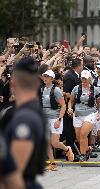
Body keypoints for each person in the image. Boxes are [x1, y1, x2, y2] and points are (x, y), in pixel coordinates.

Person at [4, 56, 47, 189]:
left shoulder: (25, 118)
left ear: (13, 84)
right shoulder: (30, 112)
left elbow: (15, 173)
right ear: (38, 83)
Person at [41, 70, 74, 171]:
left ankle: (67, 149)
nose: (45, 78)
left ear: (52, 78)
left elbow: (63, 106)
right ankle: (53, 163)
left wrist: (59, 120)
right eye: (44, 76)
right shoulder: (42, 89)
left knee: (54, 143)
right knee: (46, 141)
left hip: (55, 118)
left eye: (47, 76)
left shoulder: (56, 90)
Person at [68, 70, 100, 162]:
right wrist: (69, 108)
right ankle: (87, 150)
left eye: (86, 78)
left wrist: (99, 112)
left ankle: (82, 155)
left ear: (89, 79)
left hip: (90, 114)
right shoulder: (76, 88)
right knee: (80, 138)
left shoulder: (95, 89)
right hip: (78, 114)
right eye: (82, 78)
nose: (84, 80)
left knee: (83, 134)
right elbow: (71, 101)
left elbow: (98, 102)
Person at [62, 58, 82, 160]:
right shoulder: (69, 76)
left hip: (76, 106)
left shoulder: (75, 75)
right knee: (70, 132)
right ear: (78, 65)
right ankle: (71, 154)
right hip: (70, 107)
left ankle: (79, 151)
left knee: (75, 132)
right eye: (81, 65)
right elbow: (66, 93)